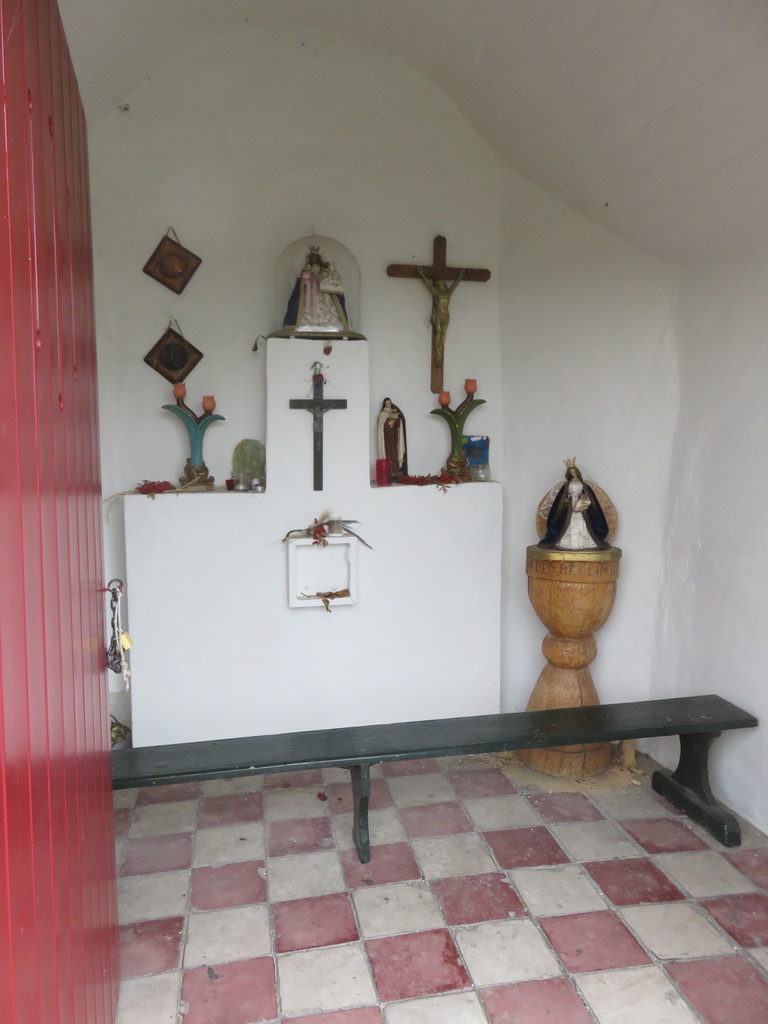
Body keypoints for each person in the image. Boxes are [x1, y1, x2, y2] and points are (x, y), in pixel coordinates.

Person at [541, 459, 610, 550]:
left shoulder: (583, 485)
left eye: (574, 472)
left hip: (581, 505)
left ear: (577, 472)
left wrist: (584, 500)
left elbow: (589, 496)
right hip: (570, 507)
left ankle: (584, 542)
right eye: (571, 472)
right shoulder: (567, 485)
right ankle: (569, 543)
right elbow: (561, 498)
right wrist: (566, 502)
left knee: (584, 522)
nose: (573, 474)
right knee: (569, 522)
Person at [282, 246, 352, 334]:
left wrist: (321, 278)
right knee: (306, 308)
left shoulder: (324, 270)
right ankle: (306, 325)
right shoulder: (306, 269)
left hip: (322, 292)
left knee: (325, 307)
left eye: (316, 258)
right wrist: (306, 277)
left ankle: (327, 325)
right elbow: (300, 282)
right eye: (313, 258)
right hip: (309, 293)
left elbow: (329, 279)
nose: (314, 259)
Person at [417, 268, 466, 367]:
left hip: (446, 315)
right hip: (439, 314)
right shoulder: (436, 292)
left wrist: (460, 276)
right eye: (440, 283)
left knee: (443, 333)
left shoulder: (448, 292)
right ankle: (438, 352)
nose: (442, 284)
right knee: (439, 332)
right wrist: (422, 274)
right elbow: (428, 285)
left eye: (443, 283)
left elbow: (455, 285)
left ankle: (440, 349)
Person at [377, 398, 407, 479]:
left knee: (395, 451)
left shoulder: (394, 412)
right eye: (387, 403)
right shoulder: (382, 414)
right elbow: (381, 426)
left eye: (389, 403)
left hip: (394, 436)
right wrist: (388, 423)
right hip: (387, 437)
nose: (388, 404)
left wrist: (395, 421)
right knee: (388, 452)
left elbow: (399, 422)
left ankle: (395, 469)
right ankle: (389, 470)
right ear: (384, 404)